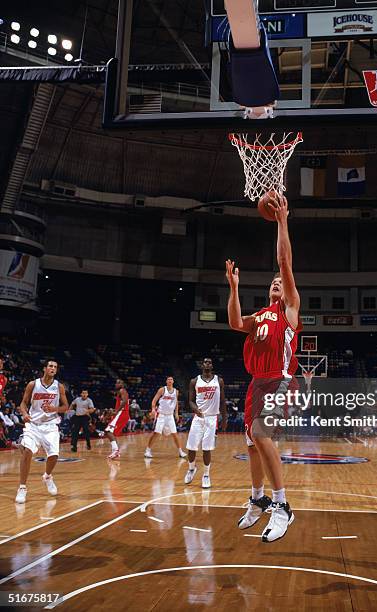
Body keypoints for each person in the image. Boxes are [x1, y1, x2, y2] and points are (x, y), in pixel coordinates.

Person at [226, 191, 301, 543]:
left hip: (281, 380)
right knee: (252, 442)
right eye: (271, 282)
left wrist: (282, 221)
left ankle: (283, 505)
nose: (276, 283)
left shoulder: (289, 310)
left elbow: (284, 264)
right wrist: (234, 287)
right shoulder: (260, 316)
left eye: (278, 282)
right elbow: (234, 322)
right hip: (258, 383)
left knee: (260, 432)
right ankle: (258, 498)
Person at [15, 359, 69, 504]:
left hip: (50, 425)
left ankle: (47, 476)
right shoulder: (33, 384)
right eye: (50, 366)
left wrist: (55, 409)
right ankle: (22, 488)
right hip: (33, 424)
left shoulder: (59, 387)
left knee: (54, 456)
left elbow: (66, 407)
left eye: (55, 367)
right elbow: (23, 403)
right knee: (27, 452)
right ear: (44, 368)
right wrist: (24, 414)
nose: (53, 368)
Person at [184, 358, 227, 488]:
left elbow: (223, 401)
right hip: (199, 417)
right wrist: (195, 409)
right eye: (205, 362)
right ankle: (192, 468)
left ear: (212, 365)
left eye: (210, 362)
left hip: (212, 418)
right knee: (191, 447)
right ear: (202, 365)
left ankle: (206, 475)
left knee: (207, 448)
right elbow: (190, 400)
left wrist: (224, 419)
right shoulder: (194, 381)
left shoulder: (218, 381)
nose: (207, 364)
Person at [144, 376, 187, 459]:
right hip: (161, 415)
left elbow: (176, 403)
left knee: (175, 434)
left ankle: (180, 451)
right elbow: (154, 400)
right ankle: (147, 450)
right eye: (168, 379)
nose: (170, 380)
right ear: (166, 381)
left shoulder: (176, 392)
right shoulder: (162, 390)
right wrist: (153, 409)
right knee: (156, 433)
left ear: (173, 381)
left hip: (170, 415)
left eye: (171, 379)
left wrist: (176, 413)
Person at [105, 379, 129, 460]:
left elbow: (125, 401)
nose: (116, 384)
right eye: (116, 382)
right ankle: (115, 452)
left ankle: (115, 450)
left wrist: (116, 411)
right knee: (112, 433)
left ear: (123, 384)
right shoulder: (119, 392)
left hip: (122, 413)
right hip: (122, 413)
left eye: (119, 382)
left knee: (108, 431)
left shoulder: (122, 390)